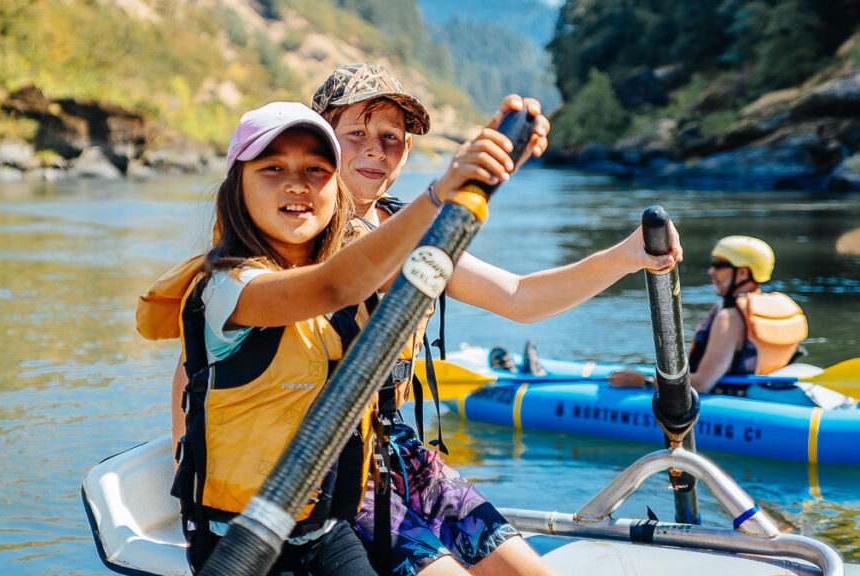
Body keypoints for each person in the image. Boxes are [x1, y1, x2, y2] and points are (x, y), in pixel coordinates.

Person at [310, 63, 681, 576]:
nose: (375, 149)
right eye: (355, 133)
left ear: (409, 150)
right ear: (319, 141)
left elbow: (519, 296)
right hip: (328, 466)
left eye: (390, 137)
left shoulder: (410, 228)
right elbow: (210, 354)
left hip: (399, 453)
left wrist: (623, 256)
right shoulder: (296, 233)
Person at [139, 100, 534, 575]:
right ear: (236, 188)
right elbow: (335, 285)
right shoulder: (229, 287)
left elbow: (482, 285)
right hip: (241, 541)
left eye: (316, 169)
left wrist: (487, 172)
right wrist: (440, 193)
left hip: (322, 527)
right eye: (272, 168)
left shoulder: (350, 271)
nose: (296, 183)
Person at [608, 235, 808, 395]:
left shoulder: (730, 318)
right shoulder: (778, 305)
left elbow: (702, 384)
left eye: (720, 265)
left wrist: (642, 380)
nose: (712, 271)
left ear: (742, 274)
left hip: (726, 403)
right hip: (763, 393)